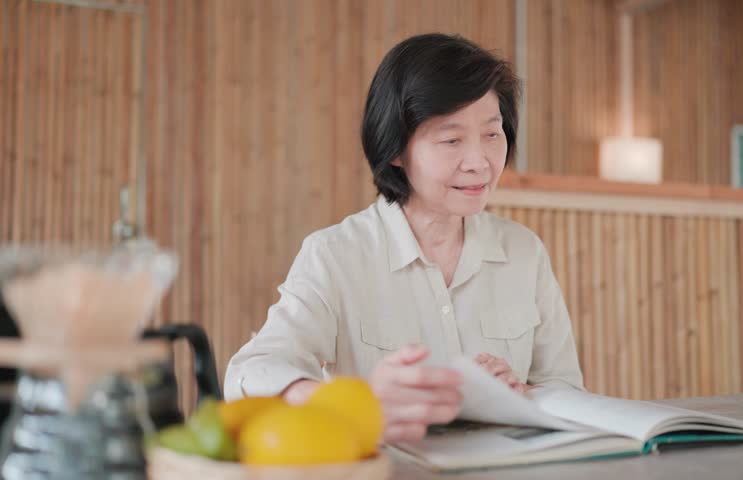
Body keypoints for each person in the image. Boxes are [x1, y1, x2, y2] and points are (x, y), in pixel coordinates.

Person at [224, 33, 583, 443]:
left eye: (492, 134)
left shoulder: (524, 251)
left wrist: (522, 395)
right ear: (395, 148)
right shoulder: (335, 254)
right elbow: (249, 373)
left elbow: (566, 388)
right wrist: (355, 401)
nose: (479, 162)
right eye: (451, 140)